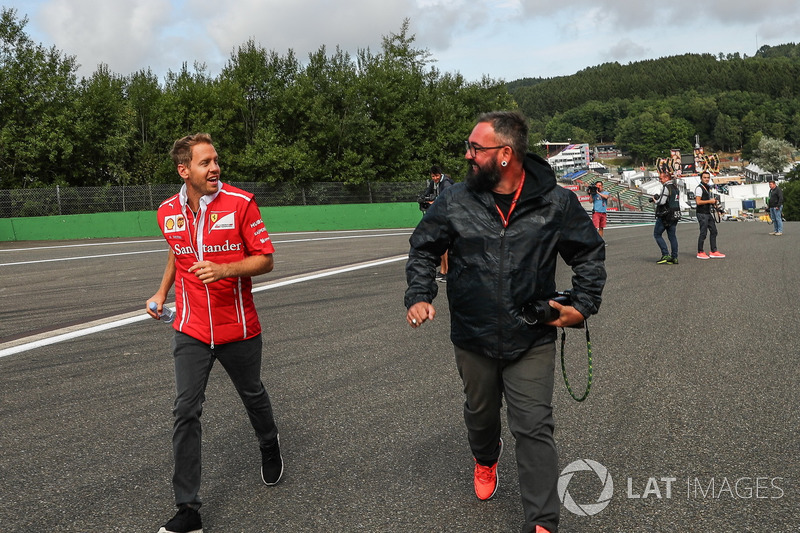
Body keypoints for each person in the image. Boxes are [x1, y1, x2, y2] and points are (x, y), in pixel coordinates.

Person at [405, 111, 606, 533]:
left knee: (534, 426)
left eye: (475, 148)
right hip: (472, 335)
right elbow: (424, 247)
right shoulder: (455, 199)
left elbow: (588, 252)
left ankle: (543, 522)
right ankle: (485, 457)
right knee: (480, 414)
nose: (467, 155)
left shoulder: (556, 202)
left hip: (531, 334)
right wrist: (420, 295)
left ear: (505, 154)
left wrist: (583, 305)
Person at [147, 133, 283, 533]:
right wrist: (160, 291)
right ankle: (188, 509)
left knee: (252, 393)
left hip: (238, 327)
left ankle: (269, 442)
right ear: (183, 169)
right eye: (205, 162)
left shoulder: (241, 203)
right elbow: (177, 249)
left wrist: (224, 270)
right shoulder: (167, 210)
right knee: (185, 410)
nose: (215, 168)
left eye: (216, 160)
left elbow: (267, 259)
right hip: (190, 327)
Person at [419, 165, 454, 281]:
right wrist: (423, 198)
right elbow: (427, 193)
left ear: (441, 174)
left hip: (449, 215)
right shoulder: (433, 183)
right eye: (433, 176)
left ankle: (448, 271)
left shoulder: (446, 184)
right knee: (440, 243)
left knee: (445, 244)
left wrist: (433, 202)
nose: (434, 178)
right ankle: (443, 270)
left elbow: (445, 200)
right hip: (441, 215)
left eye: (436, 176)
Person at [694, 171, 725, 259]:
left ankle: (713, 251)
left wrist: (715, 205)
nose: (707, 179)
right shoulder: (699, 188)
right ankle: (700, 252)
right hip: (701, 213)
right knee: (703, 233)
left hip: (707, 213)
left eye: (708, 177)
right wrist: (710, 201)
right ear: (701, 178)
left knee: (714, 231)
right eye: (705, 177)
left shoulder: (707, 188)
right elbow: (698, 202)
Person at [651, 171, 680, 264]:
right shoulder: (676, 187)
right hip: (675, 214)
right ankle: (674, 257)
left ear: (667, 178)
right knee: (672, 236)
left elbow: (662, 202)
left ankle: (665, 254)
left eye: (661, 178)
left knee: (657, 234)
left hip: (666, 215)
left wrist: (655, 200)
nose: (660, 180)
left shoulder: (667, 187)